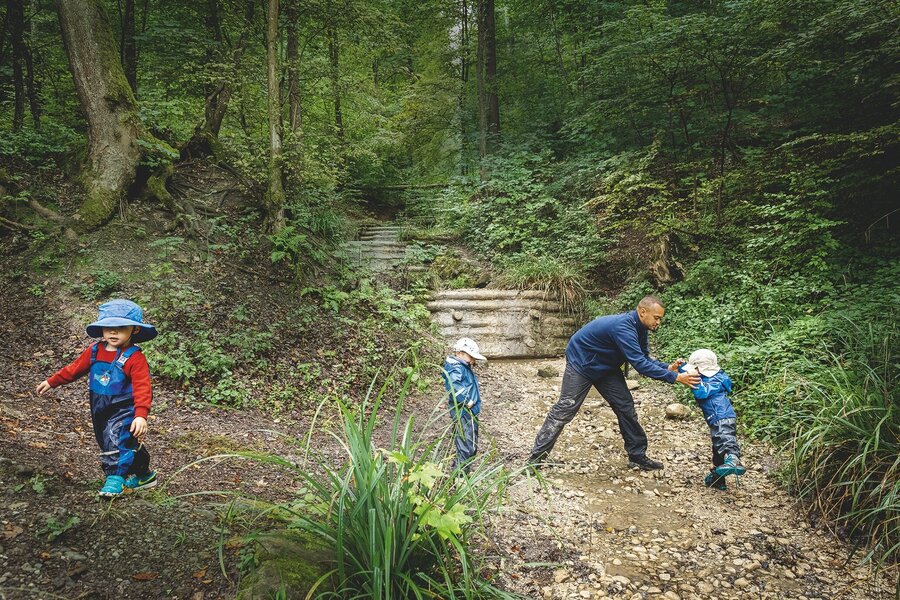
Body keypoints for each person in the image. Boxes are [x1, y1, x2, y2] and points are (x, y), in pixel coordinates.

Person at [528, 295, 700, 471]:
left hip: (606, 366)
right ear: (643, 312)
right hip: (581, 363)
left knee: (625, 407)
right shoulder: (623, 328)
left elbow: (644, 358)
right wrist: (676, 378)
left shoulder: (640, 328)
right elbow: (640, 365)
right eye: (657, 318)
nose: (658, 323)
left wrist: (668, 368)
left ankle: (637, 456)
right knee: (565, 408)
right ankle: (536, 459)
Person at [35, 299, 158, 497]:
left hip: (124, 408)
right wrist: (52, 381)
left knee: (115, 438)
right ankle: (145, 475)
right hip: (100, 406)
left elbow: (143, 387)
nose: (113, 332)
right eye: (108, 327)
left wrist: (141, 414)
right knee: (119, 440)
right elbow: (74, 369)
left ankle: (115, 477)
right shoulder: (95, 351)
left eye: (120, 327)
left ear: (134, 330)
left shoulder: (135, 358)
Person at [681, 349, 746, 490]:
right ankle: (718, 480)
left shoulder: (708, 383)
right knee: (718, 451)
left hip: (719, 416)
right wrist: (682, 367)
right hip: (726, 416)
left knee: (724, 441)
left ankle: (733, 459)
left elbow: (700, 392)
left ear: (699, 369)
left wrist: (691, 378)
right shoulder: (720, 377)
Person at [442, 337, 485, 473]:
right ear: (459, 353)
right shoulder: (456, 368)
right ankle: (461, 476)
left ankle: (459, 470)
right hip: (464, 411)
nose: (473, 361)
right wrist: (467, 401)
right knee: (467, 444)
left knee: (467, 442)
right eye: (470, 357)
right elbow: (454, 386)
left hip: (468, 412)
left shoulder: (462, 366)